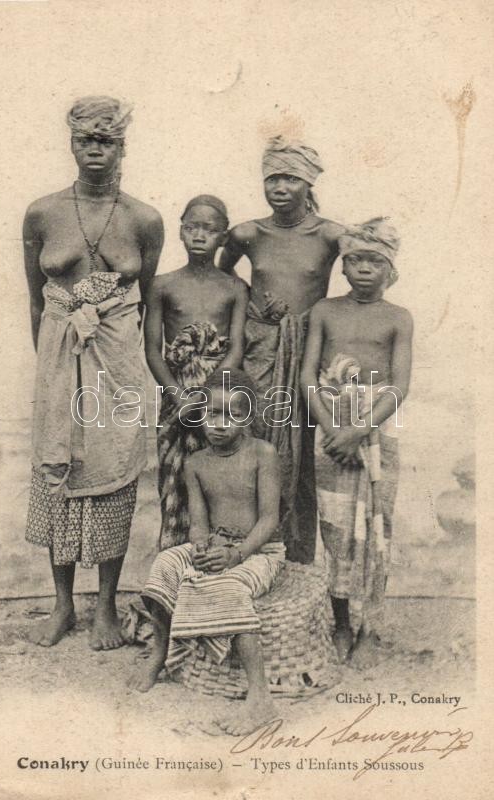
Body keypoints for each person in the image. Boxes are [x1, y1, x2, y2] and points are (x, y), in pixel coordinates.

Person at [24, 96, 164, 650]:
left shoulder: (144, 219)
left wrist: (136, 371)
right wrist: (52, 372)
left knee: (114, 471)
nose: (96, 150)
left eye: (107, 140)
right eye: (87, 140)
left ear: (123, 146)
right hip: (60, 354)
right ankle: (62, 606)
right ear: (72, 144)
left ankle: (105, 606)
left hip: (119, 357)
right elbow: (35, 302)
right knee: (58, 467)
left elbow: (147, 301)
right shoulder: (42, 212)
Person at [128, 369, 285, 735]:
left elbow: (269, 520)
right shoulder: (196, 463)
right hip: (215, 543)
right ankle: (159, 653)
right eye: (212, 413)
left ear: (247, 417)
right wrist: (201, 547)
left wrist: (237, 554)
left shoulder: (263, 454)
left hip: (259, 551)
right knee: (167, 563)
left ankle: (260, 697)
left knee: (228, 588)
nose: (218, 424)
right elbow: (198, 521)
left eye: (231, 415)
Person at [219, 136, 345, 563]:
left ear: (308, 183)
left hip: (308, 354)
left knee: (304, 456)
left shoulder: (330, 235)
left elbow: (368, 268)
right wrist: (253, 300)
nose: (279, 187)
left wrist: (319, 318)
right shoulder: (248, 232)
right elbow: (224, 279)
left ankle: (298, 559)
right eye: (272, 177)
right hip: (262, 351)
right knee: (256, 442)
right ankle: (251, 553)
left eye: (290, 178)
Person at [300, 218, 413, 664]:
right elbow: (308, 374)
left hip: (376, 429)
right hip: (328, 425)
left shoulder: (399, 318)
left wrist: (358, 429)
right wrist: (331, 428)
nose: (365, 269)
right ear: (343, 267)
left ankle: (369, 629)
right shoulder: (325, 311)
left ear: (390, 269)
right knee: (336, 527)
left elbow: (400, 384)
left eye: (375, 261)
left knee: (376, 529)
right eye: (356, 260)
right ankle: (342, 622)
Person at [145, 196, 248, 550]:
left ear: (223, 237)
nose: (200, 235)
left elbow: (236, 348)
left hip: (220, 396)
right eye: (192, 227)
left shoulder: (235, 288)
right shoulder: (162, 285)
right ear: (181, 232)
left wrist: (208, 397)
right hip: (177, 396)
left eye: (210, 229)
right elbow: (153, 351)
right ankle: (174, 566)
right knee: (175, 477)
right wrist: (179, 397)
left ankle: (217, 565)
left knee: (221, 477)